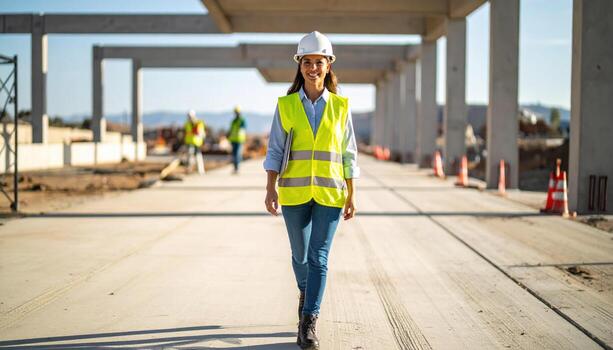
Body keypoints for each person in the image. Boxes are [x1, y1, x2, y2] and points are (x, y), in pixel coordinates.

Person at [263, 31, 359, 349]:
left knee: (319, 257)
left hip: (330, 194)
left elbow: (349, 153)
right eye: (307, 62)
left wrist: (352, 193)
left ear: (328, 65)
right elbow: (275, 149)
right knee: (300, 256)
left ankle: (309, 322)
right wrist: (270, 188)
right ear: (300, 65)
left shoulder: (341, 108)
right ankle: (307, 294)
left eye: (319, 61)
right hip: (293, 191)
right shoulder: (287, 106)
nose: (313, 67)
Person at [184, 109, 205, 175]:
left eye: (190, 116)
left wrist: (196, 131)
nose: (189, 118)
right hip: (189, 142)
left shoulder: (198, 123)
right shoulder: (187, 123)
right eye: (189, 116)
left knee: (198, 156)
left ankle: (201, 170)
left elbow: (200, 132)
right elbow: (186, 132)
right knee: (190, 156)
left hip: (196, 142)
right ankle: (189, 170)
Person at [228, 105, 247, 173]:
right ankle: (235, 167)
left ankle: (237, 168)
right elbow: (231, 130)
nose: (236, 113)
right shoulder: (233, 121)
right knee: (234, 154)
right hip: (233, 140)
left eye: (237, 112)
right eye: (235, 112)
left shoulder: (242, 120)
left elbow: (243, 129)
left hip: (239, 140)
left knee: (237, 154)